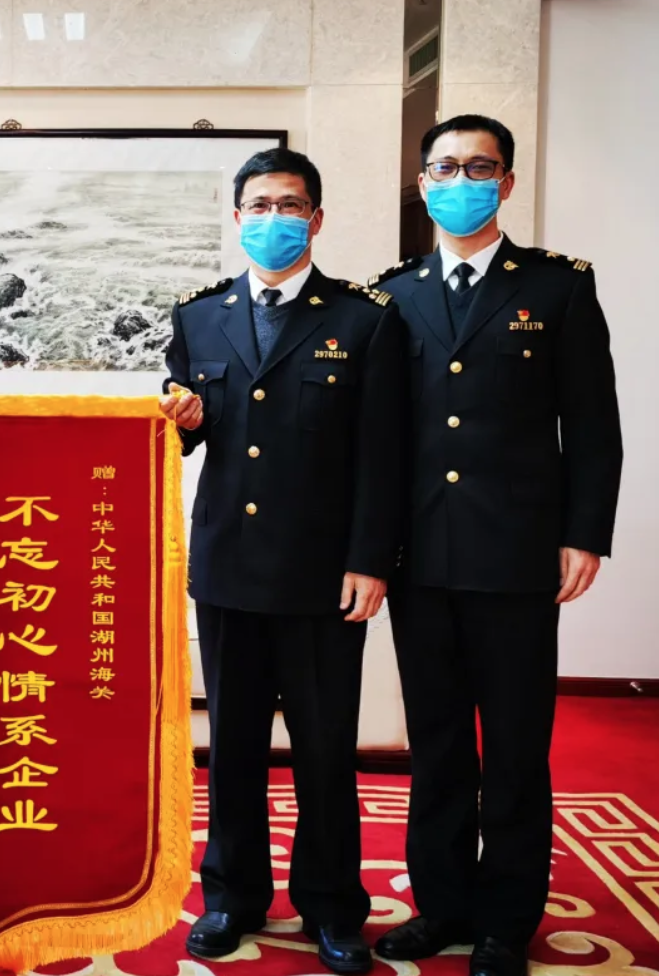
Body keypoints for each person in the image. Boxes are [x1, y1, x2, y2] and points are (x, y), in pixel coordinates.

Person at [369, 116, 623, 976]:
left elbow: (593, 424)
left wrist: (585, 533)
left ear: (507, 183)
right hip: (420, 558)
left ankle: (506, 921)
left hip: (517, 556)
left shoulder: (557, 288)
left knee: (515, 746)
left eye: (480, 167)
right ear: (423, 183)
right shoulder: (393, 295)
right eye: (444, 167)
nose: (461, 180)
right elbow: (379, 438)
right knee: (437, 743)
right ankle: (441, 906)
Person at [161, 148, 405, 975]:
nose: (274, 218)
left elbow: (382, 453)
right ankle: (231, 897)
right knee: (230, 748)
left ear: (316, 218)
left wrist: (371, 559)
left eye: (289, 205)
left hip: (321, 574)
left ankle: (332, 906)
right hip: (228, 566)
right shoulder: (200, 316)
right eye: (259, 205)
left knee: (325, 750)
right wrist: (179, 422)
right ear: (237, 219)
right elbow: (188, 433)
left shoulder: (364, 319)